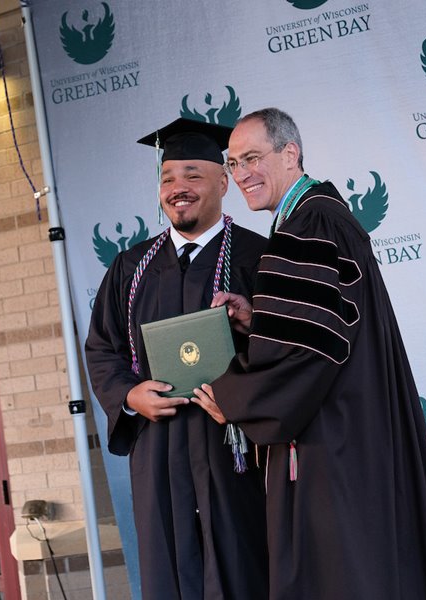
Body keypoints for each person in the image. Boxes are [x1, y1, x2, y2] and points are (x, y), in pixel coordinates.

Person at [191, 108, 426, 599]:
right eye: (233, 165)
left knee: (342, 573)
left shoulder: (309, 224)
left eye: (252, 158)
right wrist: (259, 318)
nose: (242, 175)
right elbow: (323, 327)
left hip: (331, 443)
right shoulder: (316, 217)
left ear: (290, 153)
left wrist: (232, 395)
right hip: (353, 428)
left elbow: (305, 354)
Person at [85, 118, 269, 599]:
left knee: (246, 567)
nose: (177, 189)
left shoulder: (260, 257)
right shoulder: (130, 267)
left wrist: (244, 390)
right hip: (160, 451)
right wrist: (129, 396)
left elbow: (288, 349)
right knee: (169, 573)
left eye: (192, 175)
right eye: (167, 178)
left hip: (236, 449)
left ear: (224, 182)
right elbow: (102, 347)